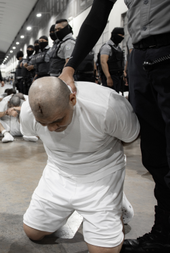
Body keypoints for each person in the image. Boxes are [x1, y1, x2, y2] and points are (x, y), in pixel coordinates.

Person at [59, 1, 170, 252]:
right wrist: (70, 66)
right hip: (141, 58)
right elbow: (97, 15)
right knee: (155, 155)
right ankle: (164, 233)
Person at [21, 77, 139, 253]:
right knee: (33, 232)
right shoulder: (28, 113)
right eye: (44, 124)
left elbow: (130, 138)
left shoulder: (106, 106)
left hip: (101, 176)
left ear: (72, 100)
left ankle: (117, 203)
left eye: (57, 120)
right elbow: (37, 135)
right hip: (59, 172)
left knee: (104, 251)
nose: (52, 129)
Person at [97, 27, 125, 93]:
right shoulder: (107, 47)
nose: (122, 38)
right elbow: (103, 62)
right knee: (109, 96)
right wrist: (108, 77)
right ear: (114, 35)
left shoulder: (118, 48)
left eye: (123, 36)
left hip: (118, 77)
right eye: (120, 36)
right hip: (110, 76)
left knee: (116, 96)